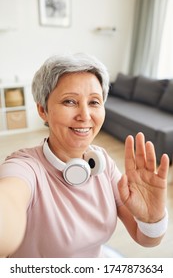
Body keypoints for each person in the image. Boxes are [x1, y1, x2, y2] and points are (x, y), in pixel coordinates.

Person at [0, 53, 169, 258]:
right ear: (43, 110)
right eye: (70, 101)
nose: (85, 116)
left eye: (94, 102)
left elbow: (146, 239)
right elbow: (8, 203)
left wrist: (152, 218)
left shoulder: (103, 162)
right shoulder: (24, 168)